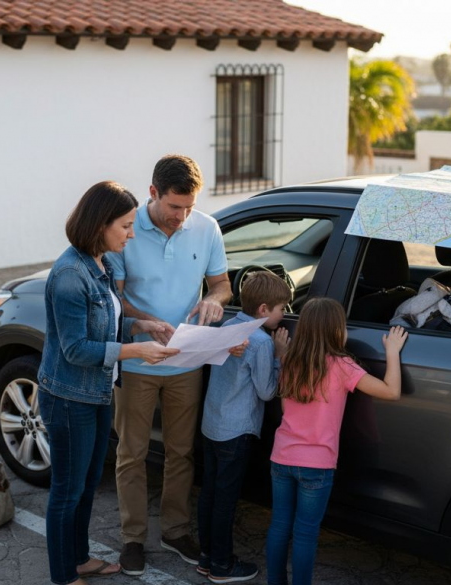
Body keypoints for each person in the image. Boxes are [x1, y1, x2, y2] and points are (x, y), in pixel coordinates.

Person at [38, 181, 179, 585]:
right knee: (67, 491)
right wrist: (136, 352)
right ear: (100, 224)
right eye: (126, 226)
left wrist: (142, 326)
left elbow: (106, 320)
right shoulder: (70, 274)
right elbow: (76, 349)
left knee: (85, 486)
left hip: (97, 393)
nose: (131, 234)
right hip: (68, 398)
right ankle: (64, 576)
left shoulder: (101, 262)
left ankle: (79, 559)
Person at [105, 154, 236, 575]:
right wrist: (144, 322)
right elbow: (115, 297)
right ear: (153, 193)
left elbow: (222, 285)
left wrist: (213, 301)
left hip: (187, 361)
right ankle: (132, 539)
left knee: (182, 452)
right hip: (138, 361)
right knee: (132, 453)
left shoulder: (207, 228)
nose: (182, 216)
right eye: (175, 206)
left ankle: (176, 531)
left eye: (189, 207)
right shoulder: (126, 229)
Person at [265, 298, 408, 585]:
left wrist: (281, 353)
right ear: (335, 331)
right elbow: (391, 391)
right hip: (316, 467)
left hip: (281, 459)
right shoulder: (343, 366)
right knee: (305, 533)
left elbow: (284, 408)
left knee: (279, 525)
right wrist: (392, 351)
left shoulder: (290, 360)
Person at [197, 271, 291, 583]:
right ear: (264, 309)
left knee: (210, 493)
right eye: (282, 309)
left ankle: (207, 556)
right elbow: (266, 391)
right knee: (226, 500)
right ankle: (222, 566)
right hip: (236, 431)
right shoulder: (262, 342)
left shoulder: (229, 325)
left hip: (212, 424)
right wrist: (279, 357)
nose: (285, 315)